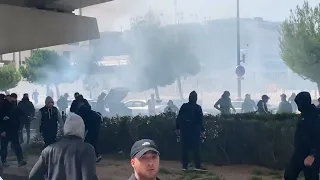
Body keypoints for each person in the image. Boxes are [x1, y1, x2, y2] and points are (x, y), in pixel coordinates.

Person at [29, 113, 98, 180]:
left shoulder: (48, 150)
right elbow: (89, 177)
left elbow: (33, 176)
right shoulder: (87, 149)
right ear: (82, 130)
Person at [284, 92, 320, 180]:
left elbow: (317, 137)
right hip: (299, 152)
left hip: (310, 153)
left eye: (298, 104)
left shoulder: (315, 116)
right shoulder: (305, 113)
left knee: (311, 177)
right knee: (289, 175)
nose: (298, 107)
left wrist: (313, 155)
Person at [176, 91, 206, 171]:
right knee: (197, 148)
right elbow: (200, 120)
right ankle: (197, 166)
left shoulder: (184, 106)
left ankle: (184, 166)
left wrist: (177, 128)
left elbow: (179, 118)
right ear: (196, 98)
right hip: (195, 131)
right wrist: (202, 130)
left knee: (184, 148)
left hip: (184, 130)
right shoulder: (198, 107)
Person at [0, 93, 27, 167]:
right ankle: (4, 160)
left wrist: (19, 126)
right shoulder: (2, 107)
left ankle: (20, 160)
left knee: (16, 145)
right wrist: (2, 130)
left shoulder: (14, 106)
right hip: (5, 130)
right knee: (4, 146)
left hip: (13, 130)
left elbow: (21, 115)